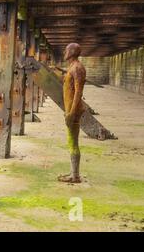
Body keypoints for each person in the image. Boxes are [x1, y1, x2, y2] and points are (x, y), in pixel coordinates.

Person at [58, 43, 86, 184]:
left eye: (67, 49)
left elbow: (78, 93)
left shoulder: (78, 68)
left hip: (73, 111)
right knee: (71, 141)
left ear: (73, 52)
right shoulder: (73, 67)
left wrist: (72, 113)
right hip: (70, 109)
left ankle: (75, 176)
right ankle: (73, 172)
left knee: (73, 142)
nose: (64, 52)